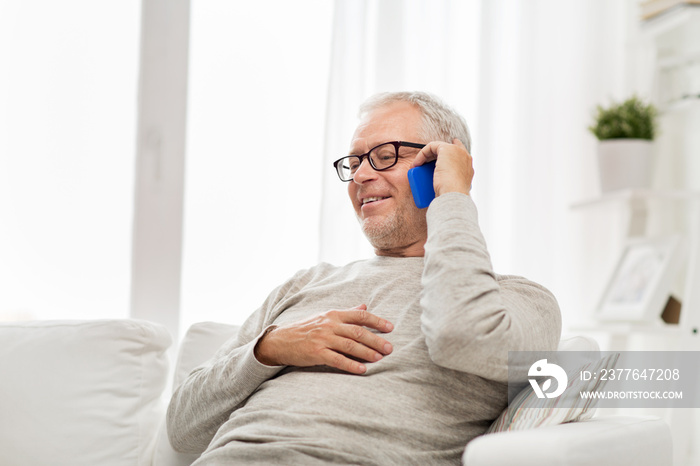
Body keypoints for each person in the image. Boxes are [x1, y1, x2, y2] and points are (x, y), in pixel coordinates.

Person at [167, 91, 561, 465]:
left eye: (384, 156)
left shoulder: (521, 300)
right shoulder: (305, 285)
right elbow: (182, 428)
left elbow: (461, 338)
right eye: (354, 163)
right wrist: (270, 349)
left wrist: (452, 196)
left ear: (444, 162)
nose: (360, 176)